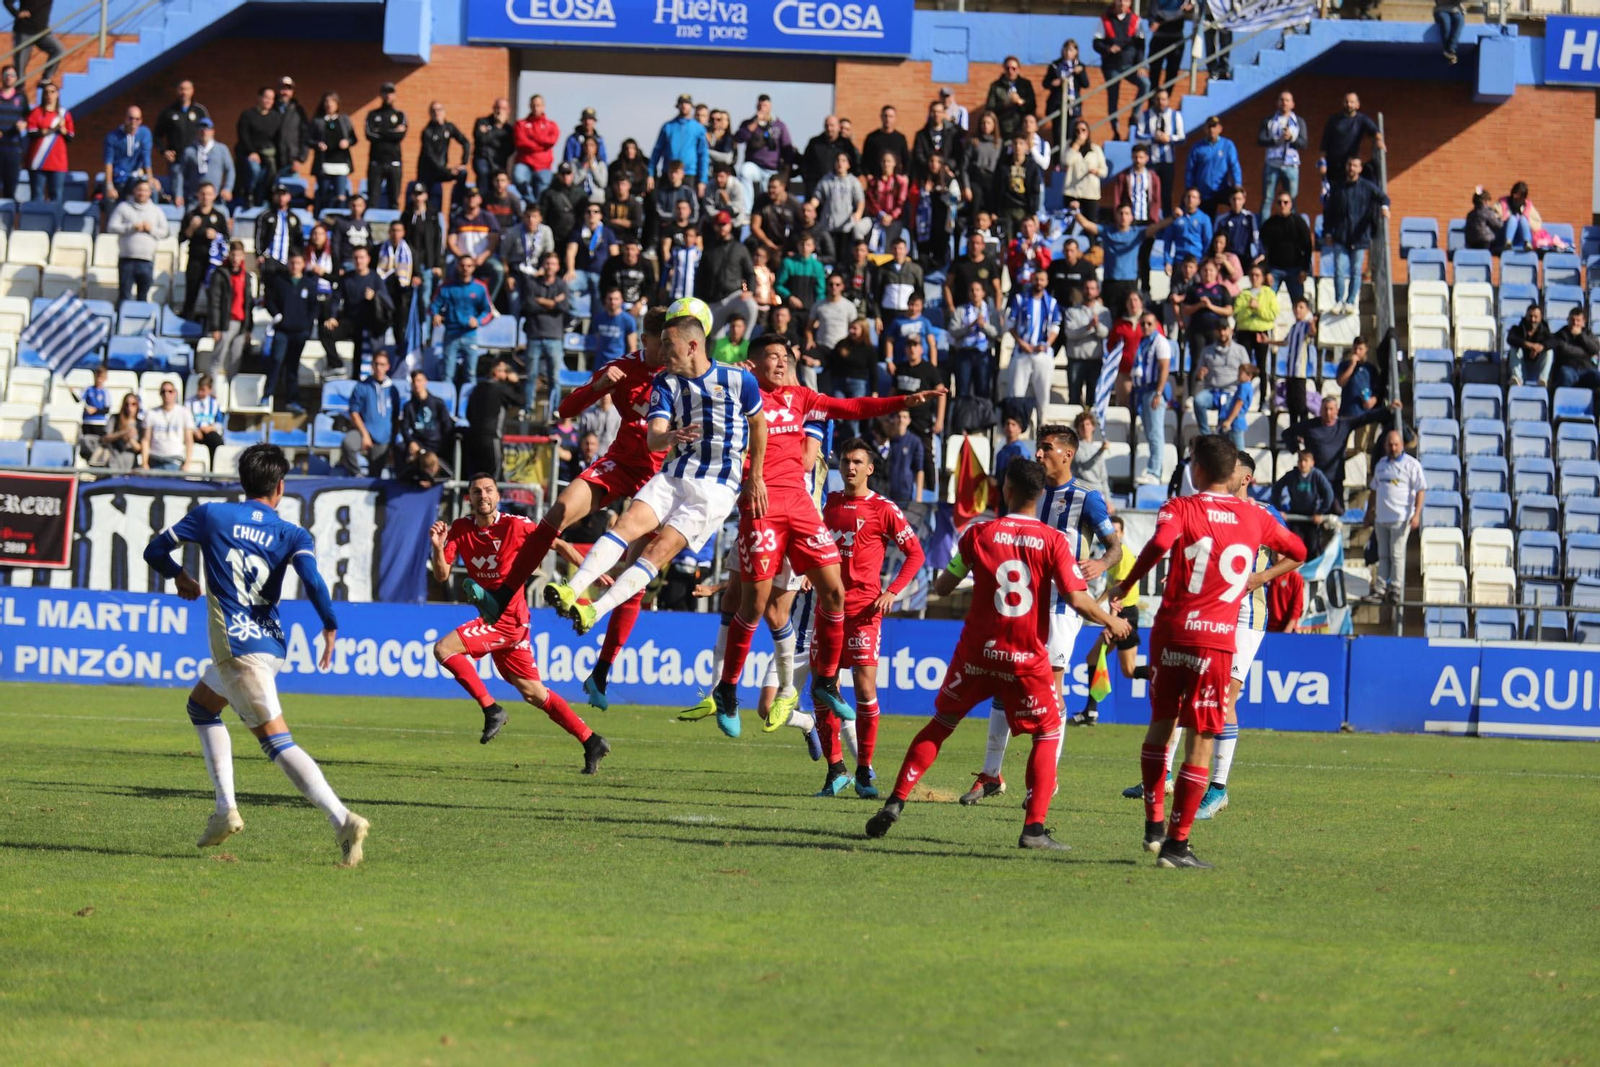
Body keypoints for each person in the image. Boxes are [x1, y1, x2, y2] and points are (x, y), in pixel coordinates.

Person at [866, 458, 1131, 849]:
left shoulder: (979, 533)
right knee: (1048, 731)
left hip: (978, 651)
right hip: (1025, 654)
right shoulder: (1054, 541)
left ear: (1006, 491)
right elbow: (1077, 599)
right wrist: (1111, 621)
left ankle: (895, 801)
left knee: (941, 724)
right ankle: (1033, 829)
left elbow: (942, 587)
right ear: (1039, 495)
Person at [711, 334, 942, 749]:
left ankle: (826, 682)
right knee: (755, 603)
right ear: (754, 362)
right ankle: (727, 689)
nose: (781, 363)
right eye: (772, 357)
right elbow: (707, 390)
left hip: (800, 505)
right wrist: (732, 378)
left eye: (785, 356)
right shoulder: (741, 394)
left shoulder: (801, 398)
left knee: (833, 590)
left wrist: (900, 402)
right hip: (762, 504)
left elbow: (852, 407)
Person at [142, 444, 367, 864]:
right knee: (201, 707)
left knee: (277, 742)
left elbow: (154, 551)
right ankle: (224, 808)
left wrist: (181, 576)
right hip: (270, 644)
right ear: (280, 487)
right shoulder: (293, 533)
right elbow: (314, 581)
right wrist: (330, 623)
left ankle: (342, 820)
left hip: (238, 647)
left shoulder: (211, 515)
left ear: (242, 481)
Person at [1107, 435, 1304, 867]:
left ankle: (1158, 822)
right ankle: (1177, 844)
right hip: (1215, 636)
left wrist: (1127, 583)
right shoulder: (1256, 517)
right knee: (1199, 734)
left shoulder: (1179, 507)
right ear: (1229, 472)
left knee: (1162, 724)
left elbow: (1159, 545)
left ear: (1198, 469)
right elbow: (1301, 550)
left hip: (1177, 629)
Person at [463, 311, 673, 706]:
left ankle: (601, 673)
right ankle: (502, 598)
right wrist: (599, 386)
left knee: (635, 571)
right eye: (662, 342)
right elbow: (565, 409)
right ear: (646, 340)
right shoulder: (623, 368)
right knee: (558, 511)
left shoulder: (684, 376)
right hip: (621, 463)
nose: (668, 350)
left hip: (659, 478)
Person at [541, 301, 767, 646]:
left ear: (692, 346)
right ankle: (573, 589)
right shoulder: (665, 381)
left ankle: (595, 611)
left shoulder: (738, 379)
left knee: (656, 551)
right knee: (624, 526)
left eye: (668, 344)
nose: (662, 352)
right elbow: (654, 435)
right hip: (675, 475)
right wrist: (670, 437)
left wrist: (756, 476)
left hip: (716, 488)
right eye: (659, 343)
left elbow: (759, 424)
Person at [963, 425, 1124, 804]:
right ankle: (990, 774)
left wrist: (1101, 563)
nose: (1038, 453)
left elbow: (1115, 547)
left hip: (1063, 605)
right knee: (1005, 679)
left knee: (1051, 686)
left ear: (1068, 454)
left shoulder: (1086, 498)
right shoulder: (1030, 492)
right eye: (1038, 447)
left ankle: (1045, 779)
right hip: (1024, 602)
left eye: (1046, 447)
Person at [429, 475, 610, 772]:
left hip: (508, 619)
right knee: (534, 693)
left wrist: (590, 572)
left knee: (443, 649)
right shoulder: (461, 529)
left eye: (488, 490)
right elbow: (441, 575)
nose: (483, 496)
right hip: (503, 619)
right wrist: (438, 548)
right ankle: (592, 741)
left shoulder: (515, 524)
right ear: (470, 498)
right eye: (476, 491)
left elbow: (558, 544)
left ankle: (491, 709)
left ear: (497, 497)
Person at [1191, 450, 1294, 820]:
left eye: (1231, 469)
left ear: (1246, 478)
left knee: (1223, 698)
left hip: (1246, 616)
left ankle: (1218, 788)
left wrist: (1260, 577)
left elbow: (1297, 554)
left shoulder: (1264, 513)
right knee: (1198, 694)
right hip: (1212, 613)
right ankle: (1175, 778)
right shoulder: (1213, 509)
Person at [820, 438, 927, 796]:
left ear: (870, 468)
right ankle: (835, 769)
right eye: (845, 461)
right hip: (827, 609)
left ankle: (864, 770)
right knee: (823, 689)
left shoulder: (883, 508)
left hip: (864, 611)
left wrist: (892, 591)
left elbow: (915, 553)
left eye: (857, 462)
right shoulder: (829, 503)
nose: (850, 467)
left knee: (865, 688)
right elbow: (813, 545)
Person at [1072, 512, 1149, 725]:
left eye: (1116, 531)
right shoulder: (1113, 555)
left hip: (1124, 615)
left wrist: (1110, 622)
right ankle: (1090, 712)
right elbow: (1112, 588)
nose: (1112, 534)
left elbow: (1120, 593)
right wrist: (1097, 604)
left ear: (1122, 534)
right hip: (1120, 615)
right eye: (1110, 531)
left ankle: (1170, 678)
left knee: (1125, 669)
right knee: (1107, 663)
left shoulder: (1122, 554)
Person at [1284, 394, 1399, 502]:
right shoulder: (1309, 425)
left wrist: (1387, 409)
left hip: (1335, 478)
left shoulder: (1344, 424)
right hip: (1314, 478)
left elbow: (1365, 418)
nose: (1328, 412)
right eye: (1325, 409)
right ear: (1320, 410)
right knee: (1313, 510)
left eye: (1331, 409)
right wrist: (1298, 451)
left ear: (1337, 410)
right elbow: (1287, 434)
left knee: (1337, 510)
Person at [1365, 429, 1425, 608]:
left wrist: (1417, 514)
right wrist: (1370, 511)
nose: (1393, 448)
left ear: (1402, 445)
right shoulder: (1381, 465)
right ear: (1385, 446)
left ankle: (1396, 588)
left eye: (1396, 444)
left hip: (1400, 518)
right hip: (1381, 518)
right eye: (1390, 445)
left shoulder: (1411, 465)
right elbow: (1374, 490)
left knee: (1396, 554)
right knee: (1383, 555)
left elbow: (1421, 490)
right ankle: (1380, 588)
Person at [1323, 155, 1389, 315]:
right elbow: (1329, 212)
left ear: (1360, 169)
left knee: (1356, 270)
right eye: (1350, 165)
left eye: (1355, 166)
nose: (1352, 169)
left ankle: (1351, 301)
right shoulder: (1338, 188)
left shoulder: (1367, 187)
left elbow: (1383, 197)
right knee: (1339, 270)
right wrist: (1328, 232)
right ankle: (1339, 301)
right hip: (1341, 236)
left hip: (1359, 237)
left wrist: (1384, 208)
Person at [1074, 204, 1163, 316]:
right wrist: (1075, 211)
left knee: (1130, 315)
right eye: (1120, 213)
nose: (1123, 216)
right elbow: (1087, 225)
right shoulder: (1107, 231)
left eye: (1126, 213)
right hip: (1111, 282)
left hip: (1130, 282)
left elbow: (1157, 227)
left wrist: (1173, 217)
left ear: (1131, 217)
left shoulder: (1137, 232)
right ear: (1116, 215)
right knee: (1110, 315)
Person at [262, 249, 316, 412]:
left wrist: (307, 328)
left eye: (298, 263)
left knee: (293, 366)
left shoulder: (309, 284)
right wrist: (277, 315)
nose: (295, 266)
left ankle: (292, 400)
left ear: (303, 264)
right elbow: (269, 301)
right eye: (292, 263)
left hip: (299, 332)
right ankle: (267, 395)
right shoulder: (279, 281)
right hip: (282, 331)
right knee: (276, 360)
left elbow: (314, 308)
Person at [1007, 268, 1062, 427]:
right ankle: (1016, 424)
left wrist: (1046, 344)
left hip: (1042, 353)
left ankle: (1042, 425)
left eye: (1042, 279)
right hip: (1022, 352)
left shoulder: (1051, 302)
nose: (1039, 283)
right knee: (1016, 391)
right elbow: (1010, 324)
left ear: (1047, 282)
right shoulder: (1019, 299)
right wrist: (1022, 343)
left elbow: (1055, 327)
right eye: (1036, 279)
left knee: (1043, 393)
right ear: (1031, 280)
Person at [432, 254, 493, 385]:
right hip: (451, 334)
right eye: (462, 265)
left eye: (469, 266)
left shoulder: (480, 287)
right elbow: (434, 305)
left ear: (473, 268)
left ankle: (470, 398)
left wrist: (478, 321)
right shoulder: (446, 287)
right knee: (447, 374)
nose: (465, 268)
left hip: (470, 335)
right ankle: (448, 398)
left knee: (470, 374)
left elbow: (488, 311)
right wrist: (435, 314)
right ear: (457, 267)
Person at [339, 349, 400, 476]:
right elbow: (354, 412)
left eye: (382, 365)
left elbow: (395, 418)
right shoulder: (362, 386)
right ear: (372, 365)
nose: (379, 368)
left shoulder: (393, 390)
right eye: (376, 364)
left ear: (387, 367)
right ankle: (357, 475)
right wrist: (365, 434)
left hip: (383, 437)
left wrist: (392, 443)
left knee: (375, 474)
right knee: (348, 443)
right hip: (363, 432)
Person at [105, 178, 168, 302]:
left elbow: (165, 232)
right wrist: (131, 227)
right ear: (134, 191)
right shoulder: (123, 207)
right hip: (127, 260)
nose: (142, 193)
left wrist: (151, 229)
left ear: (150, 192)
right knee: (124, 296)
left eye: (145, 190)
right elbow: (111, 227)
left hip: (147, 261)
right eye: (139, 190)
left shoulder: (156, 210)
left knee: (143, 297)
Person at [461, 357, 524, 477]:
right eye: (505, 371)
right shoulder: (500, 389)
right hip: (491, 438)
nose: (508, 374)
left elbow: (468, 414)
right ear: (496, 372)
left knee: (476, 477)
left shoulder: (477, 388)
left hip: (473, 437)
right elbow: (521, 400)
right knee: (494, 477)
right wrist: (516, 383)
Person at [1272, 449, 1340, 558]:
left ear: (1312, 462)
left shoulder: (1317, 475)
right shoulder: (1291, 475)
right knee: (1295, 547)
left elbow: (1329, 494)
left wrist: (1320, 512)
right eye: (1300, 461)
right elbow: (1276, 489)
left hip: (1312, 517)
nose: (1303, 464)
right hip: (1295, 517)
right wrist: (1279, 509)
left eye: (1305, 461)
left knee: (1312, 548)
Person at [1131, 309, 1173, 486]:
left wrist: (1158, 392)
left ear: (1156, 325)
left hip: (1154, 391)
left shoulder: (1160, 342)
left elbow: (1164, 368)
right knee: (1149, 433)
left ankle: (1154, 472)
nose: (1146, 326)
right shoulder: (1143, 341)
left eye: (1149, 323)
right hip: (1143, 392)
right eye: (1143, 324)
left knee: (1155, 433)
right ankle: (1153, 470)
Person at [1094, 0, 1146, 141]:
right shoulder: (1105, 19)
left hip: (1129, 65)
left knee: (1145, 84)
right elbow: (1096, 43)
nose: (1122, 3)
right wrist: (1108, 49)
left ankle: (1134, 116)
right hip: (1111, 66)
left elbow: (1140, 44)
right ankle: (1115, 129)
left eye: (1126, 0)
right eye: (1120, 0)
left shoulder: (1135, 20)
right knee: (1113, 97)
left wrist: (1140, 64)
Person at [204, 240, 253, 379]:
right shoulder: (220, 274)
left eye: (239, 255)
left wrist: (248, 327)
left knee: (235, 360)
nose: (236, 258)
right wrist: (215, 327)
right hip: (226, 322)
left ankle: (231, 386)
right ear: (229, 255)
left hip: (241, 323)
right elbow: (214, 301)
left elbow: (249, 303)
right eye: (233, 255)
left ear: (243, 256)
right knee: (218, 358)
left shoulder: (246, 276)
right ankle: (212, 387)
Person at [1133, 87, 1184, 218]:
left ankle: (1166, 221)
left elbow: (1182, 138)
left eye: (1164, 99)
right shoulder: (1145, 115)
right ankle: (1149, 221)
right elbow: (1138, 137)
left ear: (1168, 100)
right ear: (1154, 100)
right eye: (1158, 99)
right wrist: (1153, 138)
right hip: (1151, 163)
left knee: (1166, 194)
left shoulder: (1175, 116)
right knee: (1150, 193)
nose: (1161, 102)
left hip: (1168, 162)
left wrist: (1169, 138)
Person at [949, 278, 1002, 402]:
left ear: (983, 293)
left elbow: (997, 333)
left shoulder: (990, 311)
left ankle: (983, 414)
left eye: (977, 290)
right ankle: (962, 413)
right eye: (972, 290)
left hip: (983, 353)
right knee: (962, 390)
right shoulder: (960, 310)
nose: (975, 293)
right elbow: (953, 332)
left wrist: (984, 326)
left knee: (983, 389)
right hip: (964, 353)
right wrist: (969, 327)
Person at [734, 94, 793, 207]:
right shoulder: (749, 123)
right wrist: (755, 123)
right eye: (760, 105)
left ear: (770, 107)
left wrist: (786, 170)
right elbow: (738, 138)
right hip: (755, 165)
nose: (762, 108)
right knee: (744, 171)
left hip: (772, 168)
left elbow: (787, 148)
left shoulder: (779, 125)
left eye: (765, 105)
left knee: (768, 192)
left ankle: (763, 211)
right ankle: (747, 209)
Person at [1192, 320, 1249, 434]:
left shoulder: (1240, 350)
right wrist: (1200, 375)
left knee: (1227, 413)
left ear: (1230, 331)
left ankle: (1222, 437)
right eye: (1219, 330)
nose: (1222, 333)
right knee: (1198, 401)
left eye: (1224, 329)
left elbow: (1248, 372)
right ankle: (1206, 435)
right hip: (1212, 391)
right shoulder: (1206, 351)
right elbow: (1197, 375)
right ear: (1215, 332)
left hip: (1232, 391)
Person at [1257, 90, 1308, 216]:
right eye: (1282, 100)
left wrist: (1292, 138)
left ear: (1293, 104)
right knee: (1267, 199)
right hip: (1272, 164)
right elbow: (1260, 140)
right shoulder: (1269, 120)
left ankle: (1291, 227)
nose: (1284, 103)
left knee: (1292, 201)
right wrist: (1276, 141)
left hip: (1291, 166)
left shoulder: (1298, 122)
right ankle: (1265, 228)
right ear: (1277, 103)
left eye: (1287, 100)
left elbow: (1304, 144)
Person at [650, 94, 709, 196]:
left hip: (689, 174)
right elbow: (657, 151)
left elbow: (703, 155)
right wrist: (650, 173)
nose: (684, 105)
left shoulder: (698, 128)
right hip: (669, 173)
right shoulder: (668, 126)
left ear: (691, 106)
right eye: (682, 103)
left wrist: (702, 180)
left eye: (687, 103)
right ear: (678, 106)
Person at [1260, 189, 1313, 305]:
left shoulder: (1299, 223)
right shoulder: (1268, 225)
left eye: (1285, 202)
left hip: (1295, 270)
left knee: (1299, 304)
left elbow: (1307, 247)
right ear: (1275, 205)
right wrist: (1267, 271)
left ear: (1291, 204)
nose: (1282, 205)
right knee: (1266, 303)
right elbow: (1263, 250)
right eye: (1279, 202)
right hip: (1274, 269)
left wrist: (1305, 269)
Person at [416, 100, 469, 214]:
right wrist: (447, 170)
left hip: (442, 171)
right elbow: (430, 156)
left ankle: (457, 204)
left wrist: (463, 163)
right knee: (428, 201)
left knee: (462, 173)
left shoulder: (449, 127)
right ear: (430, 113)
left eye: (439, 110)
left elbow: (466, 142)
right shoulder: (427, 131)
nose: (437, 113)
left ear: (444, 112)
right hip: (428, 172)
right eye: (433, 110)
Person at [1184, 116, 1241, 216]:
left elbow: (1234, 166)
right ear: (1205, 129)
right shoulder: (1197, 147)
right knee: (1208, 217)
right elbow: (1190, 169)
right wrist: (1190, 187)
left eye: (1214, 126)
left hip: (1222, 188)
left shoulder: (1227, 145)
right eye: (1209, 127)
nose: (1212, 130)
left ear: (1220, 129)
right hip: (1204, 192)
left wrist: (1237, 185)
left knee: (1238, 203)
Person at [1318, 91, 1382, 181]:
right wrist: (1322, 163)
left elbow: (1375, 131)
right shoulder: (1334, 120)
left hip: (1350, 166)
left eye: (1352, 102)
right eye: (1346, 102)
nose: (1349, 104)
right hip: (1333, 165)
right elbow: (1324, 143)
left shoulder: (1362, 119)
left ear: (1357, 105)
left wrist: (1379, 140)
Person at [24, 79, 71, 202]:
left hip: (58, 162)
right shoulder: (36, 112)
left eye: (52, 91)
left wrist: (63, 130)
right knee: (37, 196)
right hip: (37, 161)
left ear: (57, 94)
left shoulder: (64, 114)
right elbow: (31, 132)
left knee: (56, 196)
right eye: (46, 92)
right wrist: (45, 131)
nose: (49, 95)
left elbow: (70, 136)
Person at [234, 86, 280, 207]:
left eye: (271, 98)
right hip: (249, 153)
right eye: (266, 97)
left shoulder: (275, 117)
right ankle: (248, 194)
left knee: (271, 173)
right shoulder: (247, 115)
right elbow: (243, 136)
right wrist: (252, 152)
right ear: (259, 98)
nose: (268, 101)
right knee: (255, 170)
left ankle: (264, 198)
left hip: (267, 154)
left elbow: (277, 138)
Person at [365, 81, 408, 209]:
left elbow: (400, 135)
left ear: (394, 95)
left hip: (394, 162)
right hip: (376, 162)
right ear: (381, 94)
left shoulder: (400, 115)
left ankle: (394, 221)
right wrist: (392, 131)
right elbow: (369, 134)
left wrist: (380, 131)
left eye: (391, 92)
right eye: (385, 92)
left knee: (394, 200)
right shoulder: (373, 114)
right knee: (373, 199)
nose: (388, 95)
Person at [101, 105, 154, 202]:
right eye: (131, 118)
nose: (134, 122)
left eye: (137, 119)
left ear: (141, 120)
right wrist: (109, 186)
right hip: (117, 178)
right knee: (110, 201)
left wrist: (150, 179)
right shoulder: (112, 137)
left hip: (135, 178)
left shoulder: (145, 133)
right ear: (125, 118)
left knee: (151, 192)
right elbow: (108, 163)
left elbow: (146, 158)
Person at [398, 368, 451, 462]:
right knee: (401, 448)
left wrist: (445, 443)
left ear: (425, 382)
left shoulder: (438, 403)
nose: (416, 384)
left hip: (436, 444)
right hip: (419, 444)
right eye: (414, 381)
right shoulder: (409, 406)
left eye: (419, 381)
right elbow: (404, 429)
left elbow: (447, 425)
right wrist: (411, 442)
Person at [141, 380, 193, 471]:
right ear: (160, 394)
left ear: (175, 393)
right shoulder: (151, 413)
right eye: (163, 391)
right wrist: (144, 463)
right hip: (155, 460)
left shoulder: (184, 412)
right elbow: (146, 439)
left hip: (175, 461)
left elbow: (189, 440)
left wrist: (187, 463)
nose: (166, 394)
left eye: (170, 391)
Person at [1043, 38, 1090, 135]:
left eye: (1071, 50)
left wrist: (1080, 73)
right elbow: (1045, 83)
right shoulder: (1055, 65)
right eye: (1066, 50)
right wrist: (1053, 83)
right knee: (1058, 132)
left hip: (1073, 104)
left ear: (1076, 52)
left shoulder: (1079, 65)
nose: (1068, 53)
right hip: (1057, 104)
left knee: (1071, 132)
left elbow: (1085, 84)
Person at [8, 0, 60, 86]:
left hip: (43, 32)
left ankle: (45, 79)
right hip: (24, 31)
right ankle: (19, 90)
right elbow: (7, 2)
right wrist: (16, 13)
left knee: (58, 50)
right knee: (20, 66)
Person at [1551, 307, 1600, 389]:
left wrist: (1580, 336)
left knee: (1597, 377)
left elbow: (1595, 349)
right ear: (1568, 320)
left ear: (1583, 322)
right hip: (1568, 368)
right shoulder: (1561, 334)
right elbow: (1564, 351)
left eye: (1578, 320)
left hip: (1587, 369)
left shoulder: (1588, 334)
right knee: (1565, 375)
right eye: (1572, 320)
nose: (1575, 323)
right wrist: (1586, 352)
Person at [472, 97, 513, 191]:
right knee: (483, 174)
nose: (500, 111)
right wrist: (497, 127)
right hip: (483, 158)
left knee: (499, 182)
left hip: (499, 161)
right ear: (494, 108)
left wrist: (489, 133)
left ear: (508, 111)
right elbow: (481, 139)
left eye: (503, 109)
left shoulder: (509, 129)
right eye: (498, 108)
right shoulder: (482, 122)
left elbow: (509, 148)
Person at [1508, 303, 1552, 388]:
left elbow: (1554, 342)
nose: (1532, 319)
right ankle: (1517, 379)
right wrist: (1529, 345)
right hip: (1521, 363)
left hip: (1537, 364)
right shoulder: (1517, 329)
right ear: (1526, 316)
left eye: (1536, 317)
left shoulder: (1545, 331)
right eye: (1530, 316)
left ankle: (1542, 380)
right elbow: (1510, 339)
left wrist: (1540, 347)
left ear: (1540, 318)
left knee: (1549, 351)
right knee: (1514, 349)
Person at [862, 105, 908, 180]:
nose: (888, 119)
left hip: (895, 181)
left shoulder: (900, 138)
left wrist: (905, 175)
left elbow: (906, 159)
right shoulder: (872, 138)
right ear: (881, 117)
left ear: (895, 118)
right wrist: (868, 174)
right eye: (885, 116)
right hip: (876, 180)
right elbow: (865, 159)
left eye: (891, 116)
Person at [0, 64, 26, 198]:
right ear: (2, 77)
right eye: (6, 75)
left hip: (13, 150)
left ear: (16, 78)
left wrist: (24, 124)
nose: (9, 77)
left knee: (10, 190)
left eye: (12, 75)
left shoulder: (21, 98)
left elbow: (29, 116)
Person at [187, 374, 224, 463]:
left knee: (217, 442)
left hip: (209, 432)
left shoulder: (214, 403)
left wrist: (211, 428)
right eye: (199, 389)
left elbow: (220, 423)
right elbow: (186, 420)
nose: (200, 392)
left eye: (203, 390)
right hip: (194, 432)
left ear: (209, 390)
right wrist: (195, 430)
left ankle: (213, 465)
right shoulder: (189, 403)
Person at [992, 414, 1034, 489]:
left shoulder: (1020, 450)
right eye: (1007, 424)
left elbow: (1021, 477)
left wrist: (999, 483)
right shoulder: (1001, 452)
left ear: (1019, 429)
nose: (1009, 427)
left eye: (1013, 424)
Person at [78, 364, 110, 459]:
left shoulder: (105, 392)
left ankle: (97, 461)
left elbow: (106, 409)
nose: (99, 379)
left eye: (101, 377)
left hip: (99, 423)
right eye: (97, 376)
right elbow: (78, 399)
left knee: (98, 443)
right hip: (87, 422)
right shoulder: (88, 389)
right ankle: (87, 459)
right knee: (86, 442)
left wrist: (95, 411)